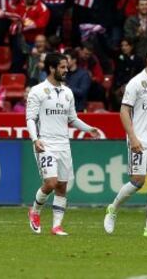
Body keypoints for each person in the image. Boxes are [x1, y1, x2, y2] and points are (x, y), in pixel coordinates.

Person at [26, 52, 99, 236]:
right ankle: (34, 210)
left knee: (62, 187)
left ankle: (56, 226)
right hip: (45, 143)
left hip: (63, 144)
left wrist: (89, 129)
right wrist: (35, 139)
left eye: (66, 67)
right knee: (50, 183)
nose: (66, 70)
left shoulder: (68, 93)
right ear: (51, 68)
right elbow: (30, 119)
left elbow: (72, 119)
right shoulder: (37, 91)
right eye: (62, 67)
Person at [104, 45, 147, 238]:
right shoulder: (135, 83)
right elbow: (124, 110)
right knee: (138, 182)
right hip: (139, 139)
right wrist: (132, 137)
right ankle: (113, 208)